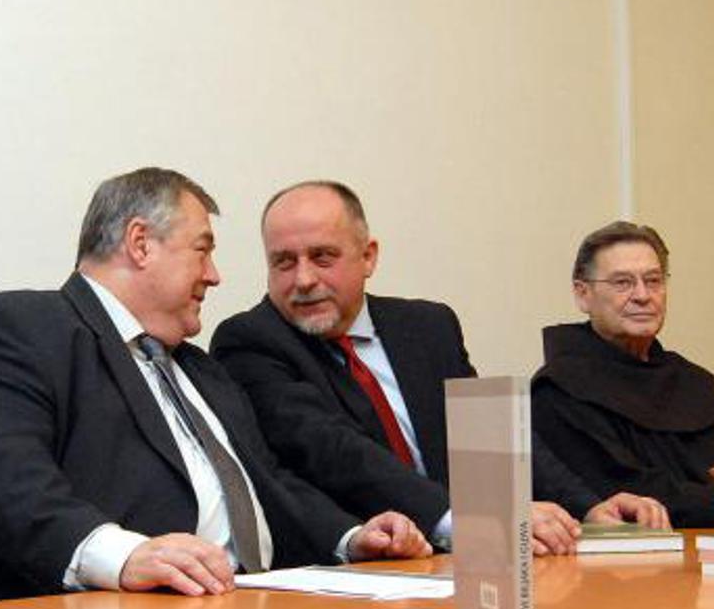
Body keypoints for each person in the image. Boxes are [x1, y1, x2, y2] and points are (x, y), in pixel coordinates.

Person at [0, 168, 429, 605]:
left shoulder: (201, 369)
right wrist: (126, 557)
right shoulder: (14, 328)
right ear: (140, 243)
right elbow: (0, 479)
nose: (215, 275)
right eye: (202, 251)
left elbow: (268, 483)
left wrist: (350, 538)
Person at [212, 181, 667, 556]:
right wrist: (468, 522)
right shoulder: (250, 341)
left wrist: (588, 508)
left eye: (322, 257)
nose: (303, 279)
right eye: (283, 262)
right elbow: (333, 450)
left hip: (473, 562)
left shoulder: (427, 326)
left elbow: (494, 435)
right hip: (367, 568)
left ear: (368, 256)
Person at [530, 221, 714, 528]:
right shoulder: (560, 389)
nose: (642, 295)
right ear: (583, 295)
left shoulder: (689, 380)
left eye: (653, 280)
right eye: (622, 283)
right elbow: (634, 498)